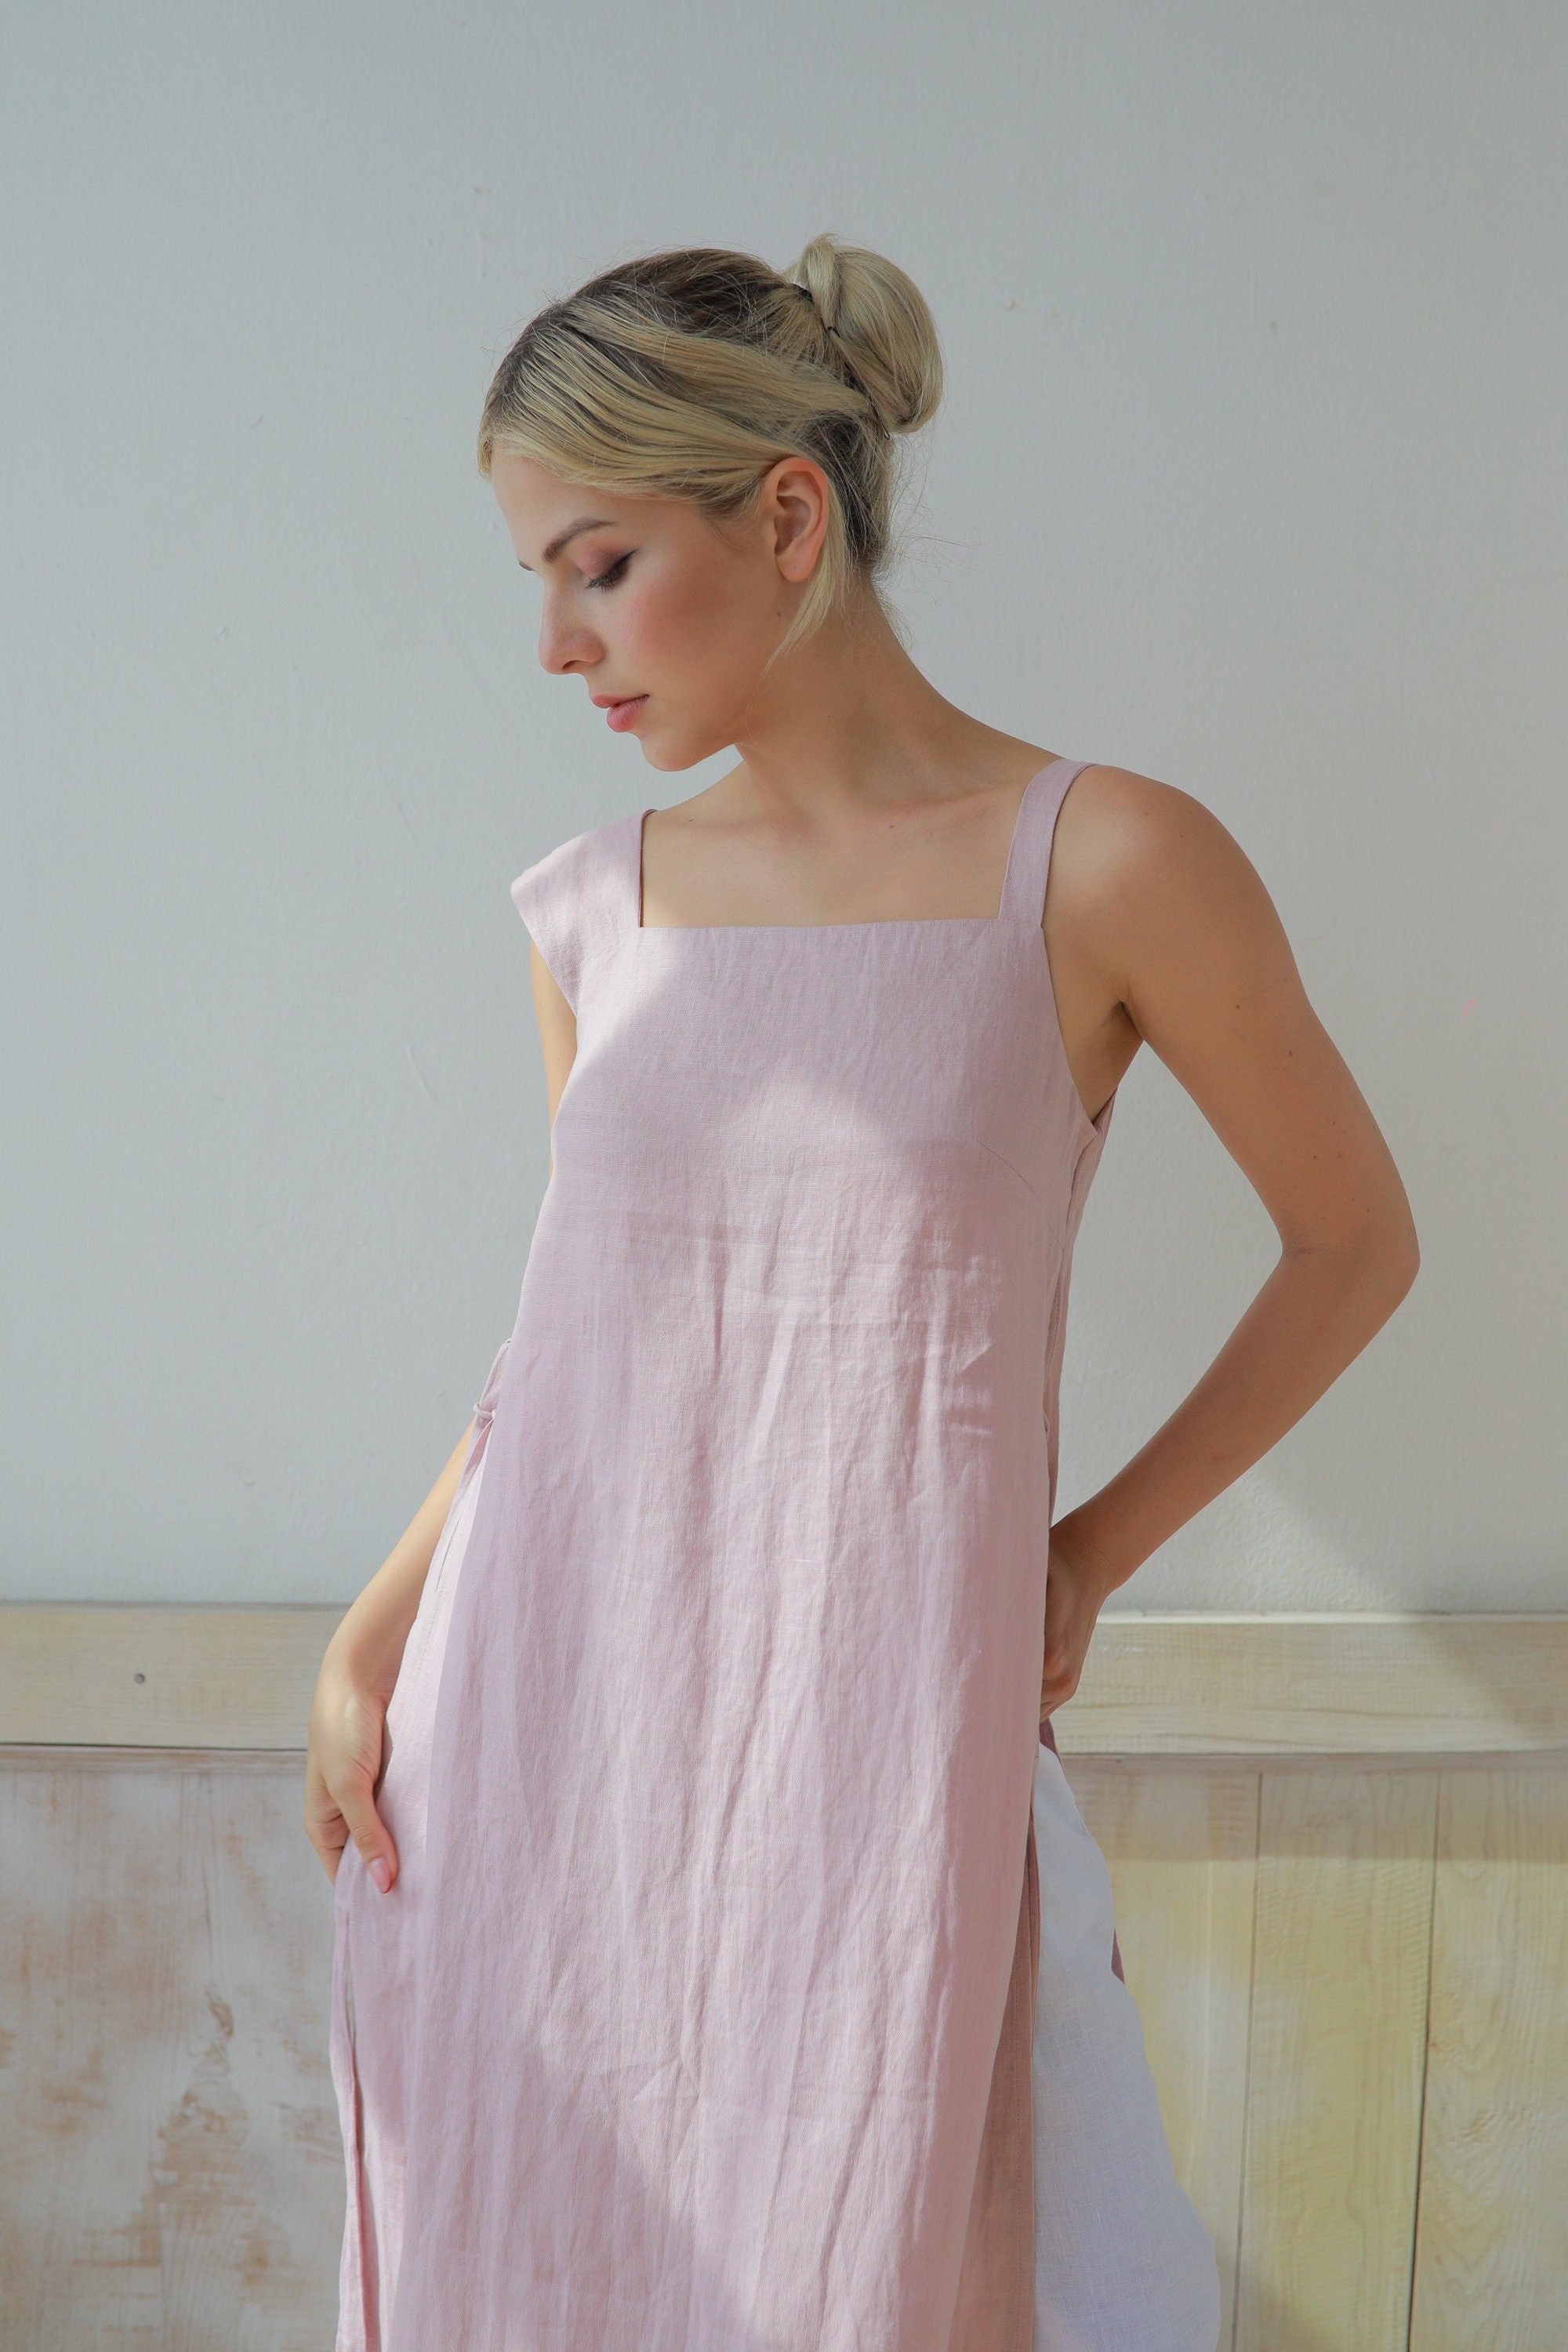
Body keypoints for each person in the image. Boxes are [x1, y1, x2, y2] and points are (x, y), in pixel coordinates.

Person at [305, 234, 1418, 2352]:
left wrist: (1090, 1555)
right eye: (537, 580)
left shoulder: (1102, 862)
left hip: (879, 1779)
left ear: (787, 517)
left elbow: (1357, 1240)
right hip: (541, 1773)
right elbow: (569, 1356)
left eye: (599, 565)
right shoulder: (596, 917)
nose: (556, 643)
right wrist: (374, 1632)